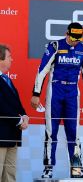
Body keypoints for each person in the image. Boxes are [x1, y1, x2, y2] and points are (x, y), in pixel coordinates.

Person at [30, 22, 83, 178]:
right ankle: (48, 167)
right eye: (73, 38)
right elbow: (42, 70)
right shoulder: (55, 46)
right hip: (56, 90)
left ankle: (76, 168)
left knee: (74, 132)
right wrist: (36, 93)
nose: (75, 41)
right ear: (67, 33)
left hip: (73, 91)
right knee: (51, 131)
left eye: (78, 38)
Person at [0, 44, 29, 182]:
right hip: (1, 136)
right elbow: (1, 106)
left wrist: (24, 116)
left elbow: (16, 105)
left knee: (9, 176)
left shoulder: (8, 80)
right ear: (0, 59)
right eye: (9, 57)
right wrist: (18, 121)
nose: (12, 60)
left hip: (12, 137)